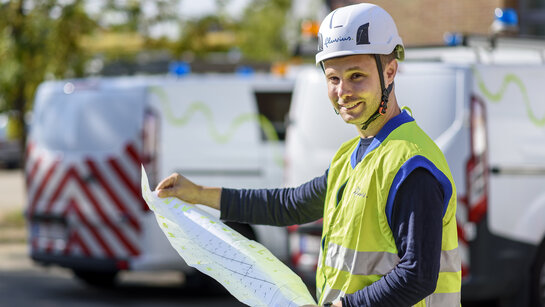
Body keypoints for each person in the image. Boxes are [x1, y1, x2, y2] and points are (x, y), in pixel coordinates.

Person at [156, 3, 461, 307]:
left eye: (356, 76)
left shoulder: (411, 164)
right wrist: (197, 194)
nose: (343, 92)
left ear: (390, 71)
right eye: (333, 78)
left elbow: (418, 274)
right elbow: (292, 205)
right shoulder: (350, 156)